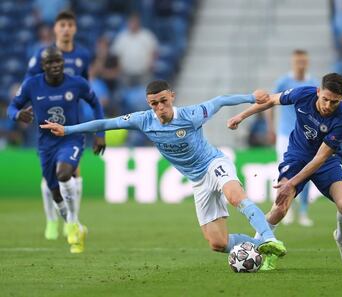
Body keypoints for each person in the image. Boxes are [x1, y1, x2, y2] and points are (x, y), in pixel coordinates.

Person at [40, 80, 286, 270]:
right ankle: (261, 247)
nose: (159, 107)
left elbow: (220, 100)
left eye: (163, 101)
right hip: (198, 181)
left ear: (172, 97)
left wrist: (250, 97)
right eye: (154, 103)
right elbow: (105, 124)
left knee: (234, 196)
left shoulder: (191, 114)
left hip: (214, 164)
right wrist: (68, 129)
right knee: (218, 243)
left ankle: (267, 236)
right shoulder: (144, 120)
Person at [228, 73, 342, 269]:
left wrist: (291, 183)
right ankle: (256, 248)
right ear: (318, 91)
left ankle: (341, 236)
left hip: (326, 161)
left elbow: (320, 158)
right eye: (325, 99)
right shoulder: (303, 94)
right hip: (297, 155)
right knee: (280, 207)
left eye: (334, 102)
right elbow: (270, 100)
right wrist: (241, 115)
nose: (328, 106)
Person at [8, 47, 106, 253]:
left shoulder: (77, 83)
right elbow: (12, 107)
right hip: (45, 145)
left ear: (63, 63)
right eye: (50, 63)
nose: (55, 65)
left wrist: (100, 134)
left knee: (64, 174)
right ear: (43, 66)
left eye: (58, 61)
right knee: (55, 193)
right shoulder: (32, 85)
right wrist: (18, 115)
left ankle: (71, 222)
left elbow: (96, 104)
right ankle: (77, 227)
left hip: (71, 138)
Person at [25, 11, 94, 240]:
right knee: (50, 176)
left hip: (74, 117)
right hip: (48, 117)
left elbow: (86, 84)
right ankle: (52, 221)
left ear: (75, 28)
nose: (66, 29)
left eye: (70, 25)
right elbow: (30, 82)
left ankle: (71, 221)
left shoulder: (82, 54)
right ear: (55, 28)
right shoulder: (42, 54)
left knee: (73, 169)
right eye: (62, 25)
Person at [266, 49, 318, 227]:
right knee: (284, 173)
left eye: (304, 61)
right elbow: (270, 103)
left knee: (307, 173)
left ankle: (303, 211)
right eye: (298, 61)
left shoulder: (313, 83)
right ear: (293, 63)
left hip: (306, 137)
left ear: (307, 62)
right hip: (284, 134)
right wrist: (270, 128)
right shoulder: (284, 81)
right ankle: (284, 210)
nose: (301, 64)